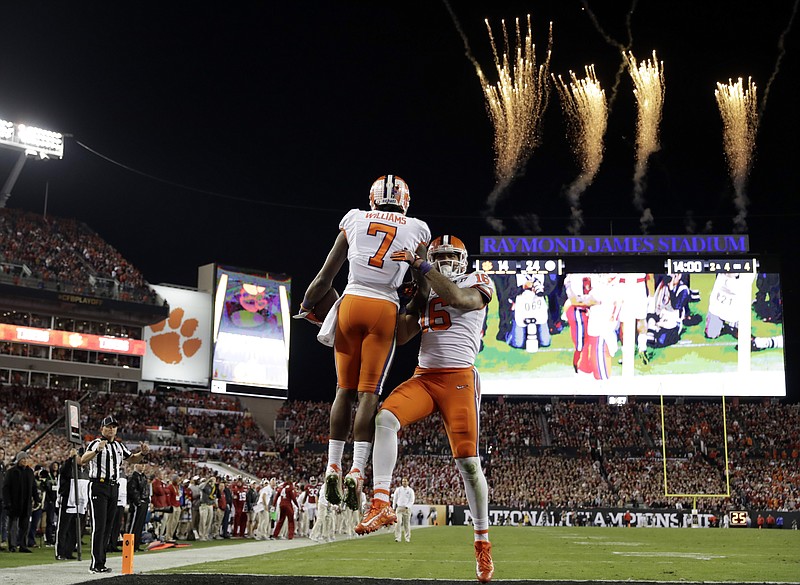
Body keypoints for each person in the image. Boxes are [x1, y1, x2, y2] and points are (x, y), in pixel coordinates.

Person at [355, 235, 495, 584]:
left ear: (462, 259)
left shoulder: (476, 280)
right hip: (425, 376)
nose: (446, 260)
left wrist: (422, 266)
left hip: (459, 377)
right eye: (439, 255)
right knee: (385, 418)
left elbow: (459, 299)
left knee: (469, 465)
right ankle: (380, 502)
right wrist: (415, 295)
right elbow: (402, 336)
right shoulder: (426, 283)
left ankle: (482, 542)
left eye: (450, 255)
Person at [294, 174, 430, 512]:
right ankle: (356, 470)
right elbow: (422, 284)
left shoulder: (354, 218)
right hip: (383, 307)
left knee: (343, 389)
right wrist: (414, 298)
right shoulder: (416, 228)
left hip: (351, 302)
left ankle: (332, 466)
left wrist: (307, 306)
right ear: (405, 200)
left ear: (372, 199)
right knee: (369, 393)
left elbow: (325, 277)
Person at [79, 415, 149, 574]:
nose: (111, 429)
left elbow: (132, 459)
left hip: (113, 486)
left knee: (108, 526)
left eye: (114, 427)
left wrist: (142, 453)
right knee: (99, 525)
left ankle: (101, 562)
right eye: (108, 426)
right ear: (102, 428)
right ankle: (95, 564)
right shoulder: (96, 443)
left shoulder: (118, 445)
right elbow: (83, 459)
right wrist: (97, 450)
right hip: (99, 485)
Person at [3, 451, 37, 552]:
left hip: (26, 504)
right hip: (14, 503)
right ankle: (12, 546)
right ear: (18, 460)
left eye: (26, 459)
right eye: (23, 459)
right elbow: (6, 488)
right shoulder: (11, 472)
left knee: (25, 526)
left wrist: (37, 498)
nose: (25, 461)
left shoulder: (30, 471)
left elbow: (33, 487)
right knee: (13, 526)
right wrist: (7, 502)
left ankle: (23, 545)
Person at [126, 463, 150, 551]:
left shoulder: (143, 476)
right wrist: (138, 502)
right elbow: (132, 490)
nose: (143, 466)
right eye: (140, 464)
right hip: (137, 503)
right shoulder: (133, 476)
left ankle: (136, 545)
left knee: (140, 525)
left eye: (143, 464)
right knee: (134, 524)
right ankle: (130, 545)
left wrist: (146, 501)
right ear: (135, 465)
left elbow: (146, 489)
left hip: (143, 502)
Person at [392, 477, 415, 543]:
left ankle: (407, 538)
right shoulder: (398, 490)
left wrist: (407, 506)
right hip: (399, 508)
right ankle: (397, 538)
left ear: (408, 482)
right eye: (403, 481)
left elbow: (411, 500)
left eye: (405, 481)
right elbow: (395, 499)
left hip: (407, 509)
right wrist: (393, 507)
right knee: (398, 523)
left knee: (406, 524)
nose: (404, 483)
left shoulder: (410, 490)